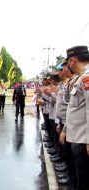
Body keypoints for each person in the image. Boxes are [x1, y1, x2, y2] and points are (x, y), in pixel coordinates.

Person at [64, 46, 89, 189]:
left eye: (68, 62)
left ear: (72, 61)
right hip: (78, 137)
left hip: (82, 139)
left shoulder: (86, 77)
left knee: (84, 181)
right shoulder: (82, 77)